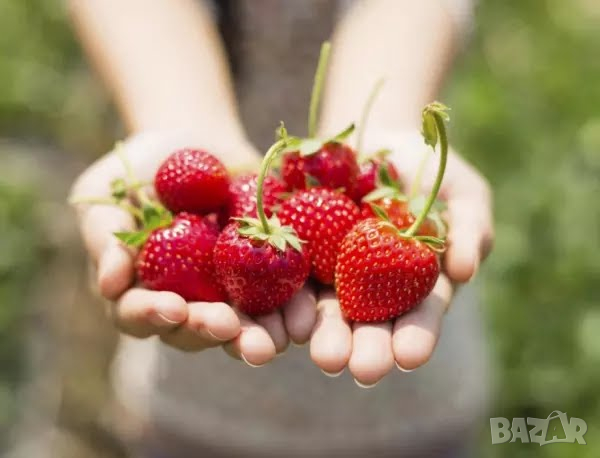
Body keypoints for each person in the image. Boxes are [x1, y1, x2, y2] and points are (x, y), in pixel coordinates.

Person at [68, 0, 494, 456]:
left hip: (407, 410)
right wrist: (178, 120)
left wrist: (388, 122)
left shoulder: (385, 222)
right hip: (191, 405)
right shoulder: (249, 223)